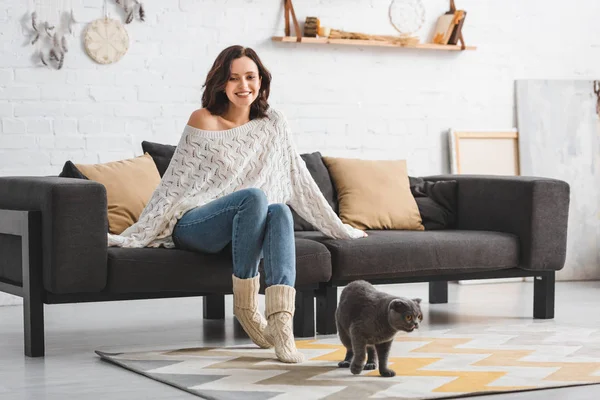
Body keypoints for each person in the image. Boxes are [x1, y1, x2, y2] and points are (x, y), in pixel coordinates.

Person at [108, 45, 367, 364]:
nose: (243, 85)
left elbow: (298, 179)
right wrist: (143, 230)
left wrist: (336, 227)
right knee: (256, 196)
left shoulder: (274, 122)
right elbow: (174, 186)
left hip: (243, 227)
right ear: (221, 83)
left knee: (280, 210)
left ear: (261, 81)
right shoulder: (203, 120)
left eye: (250, 77)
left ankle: (281, 324)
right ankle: (246, 307)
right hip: (193, 225)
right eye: (233, 78)